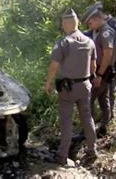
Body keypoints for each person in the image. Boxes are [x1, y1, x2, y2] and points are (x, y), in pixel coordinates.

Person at [45, 9, 98, 165]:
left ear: (65, 24)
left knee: (66, 121)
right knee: (87, 118)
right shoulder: (89, 42)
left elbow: (54, 65)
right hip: (85, 85)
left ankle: (62, 156)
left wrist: (48, 82)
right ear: (77, 23)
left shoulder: (63, 43)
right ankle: (92, 150)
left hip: (68, 89)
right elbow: (94, 66)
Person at [82, 5, 116, 137]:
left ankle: (89, 131)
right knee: (103, 99)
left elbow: (107, 54)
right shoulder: (96, 31)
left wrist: (100, 75)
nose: (89, 26)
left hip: (102, 71)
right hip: (99, 71)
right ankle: (103, 127)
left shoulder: (106, 32)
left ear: (96, 19)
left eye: (90, 23)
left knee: (89, 101)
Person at [92, 2, 116, 121]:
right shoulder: (99, 26)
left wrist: (113, 59)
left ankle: (110, 120)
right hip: (105, 64)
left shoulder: (114, 23)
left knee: (111, 92)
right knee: (105, 94)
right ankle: (106, 118)